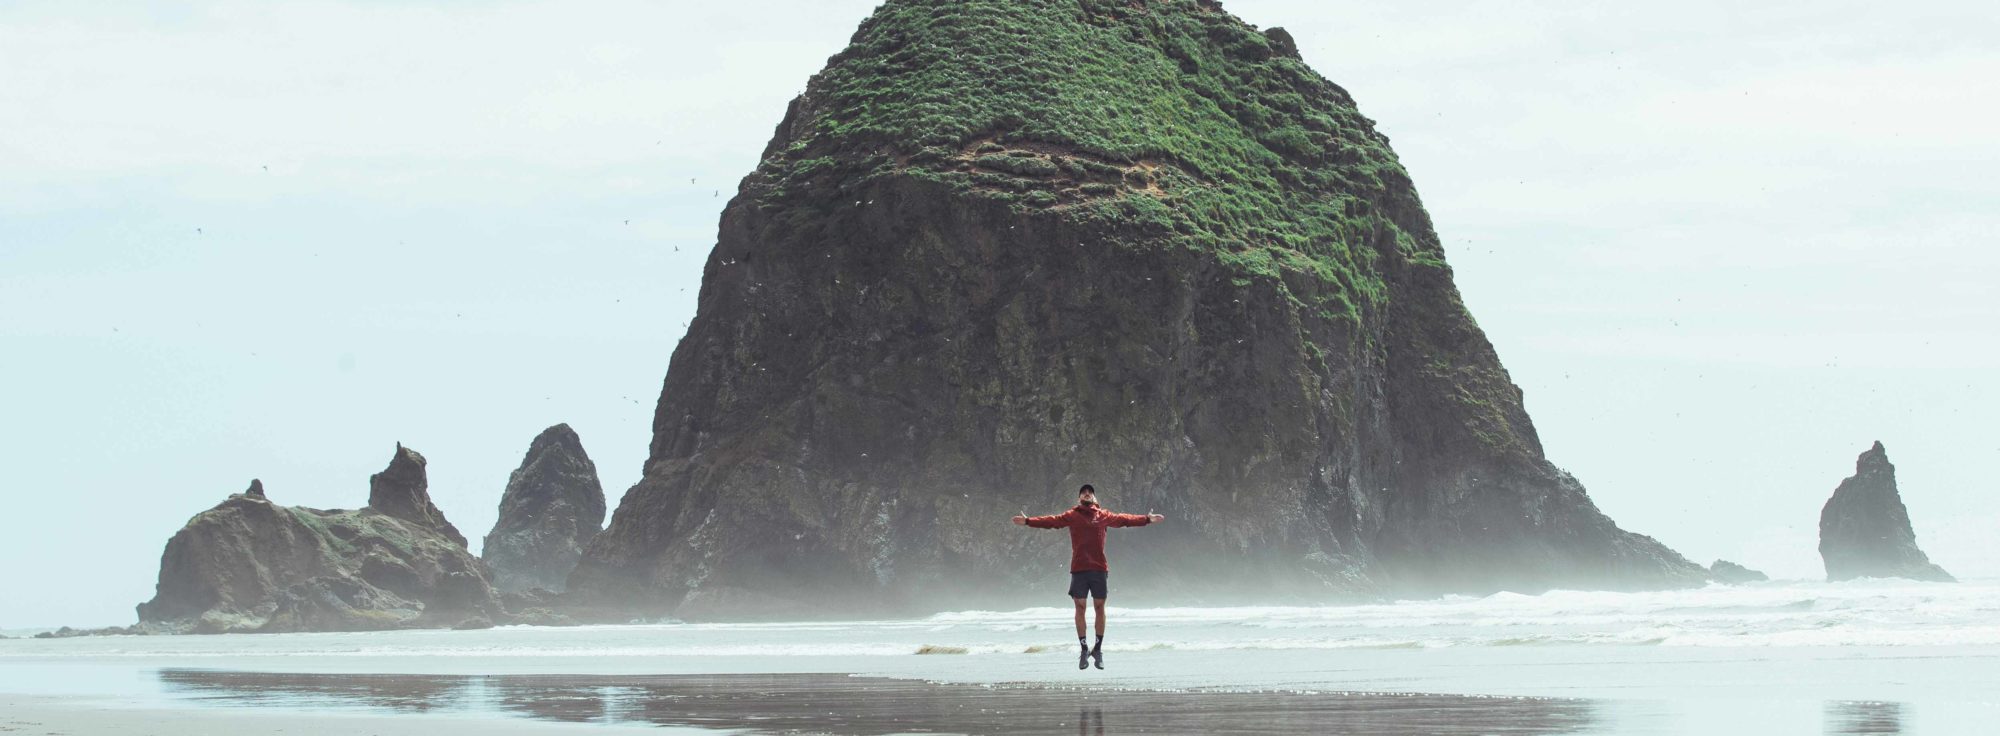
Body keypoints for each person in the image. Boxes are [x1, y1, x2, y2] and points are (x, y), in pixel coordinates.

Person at [1013, 484, 1165, 670]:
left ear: (1094, 498)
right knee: (1080, 606)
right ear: (1079, 499)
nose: (1087, 494)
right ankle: (1084, 649)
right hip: (1079, 568)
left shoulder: (1103, 515)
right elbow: (1051, 521)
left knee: (1100, 606)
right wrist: (1029, 521)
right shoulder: (1072, 515)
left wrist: (1146, 519)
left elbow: (1124, 519)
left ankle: (1098, 649)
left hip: (1099, 568)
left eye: (1090, 492)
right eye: (1084, 492)